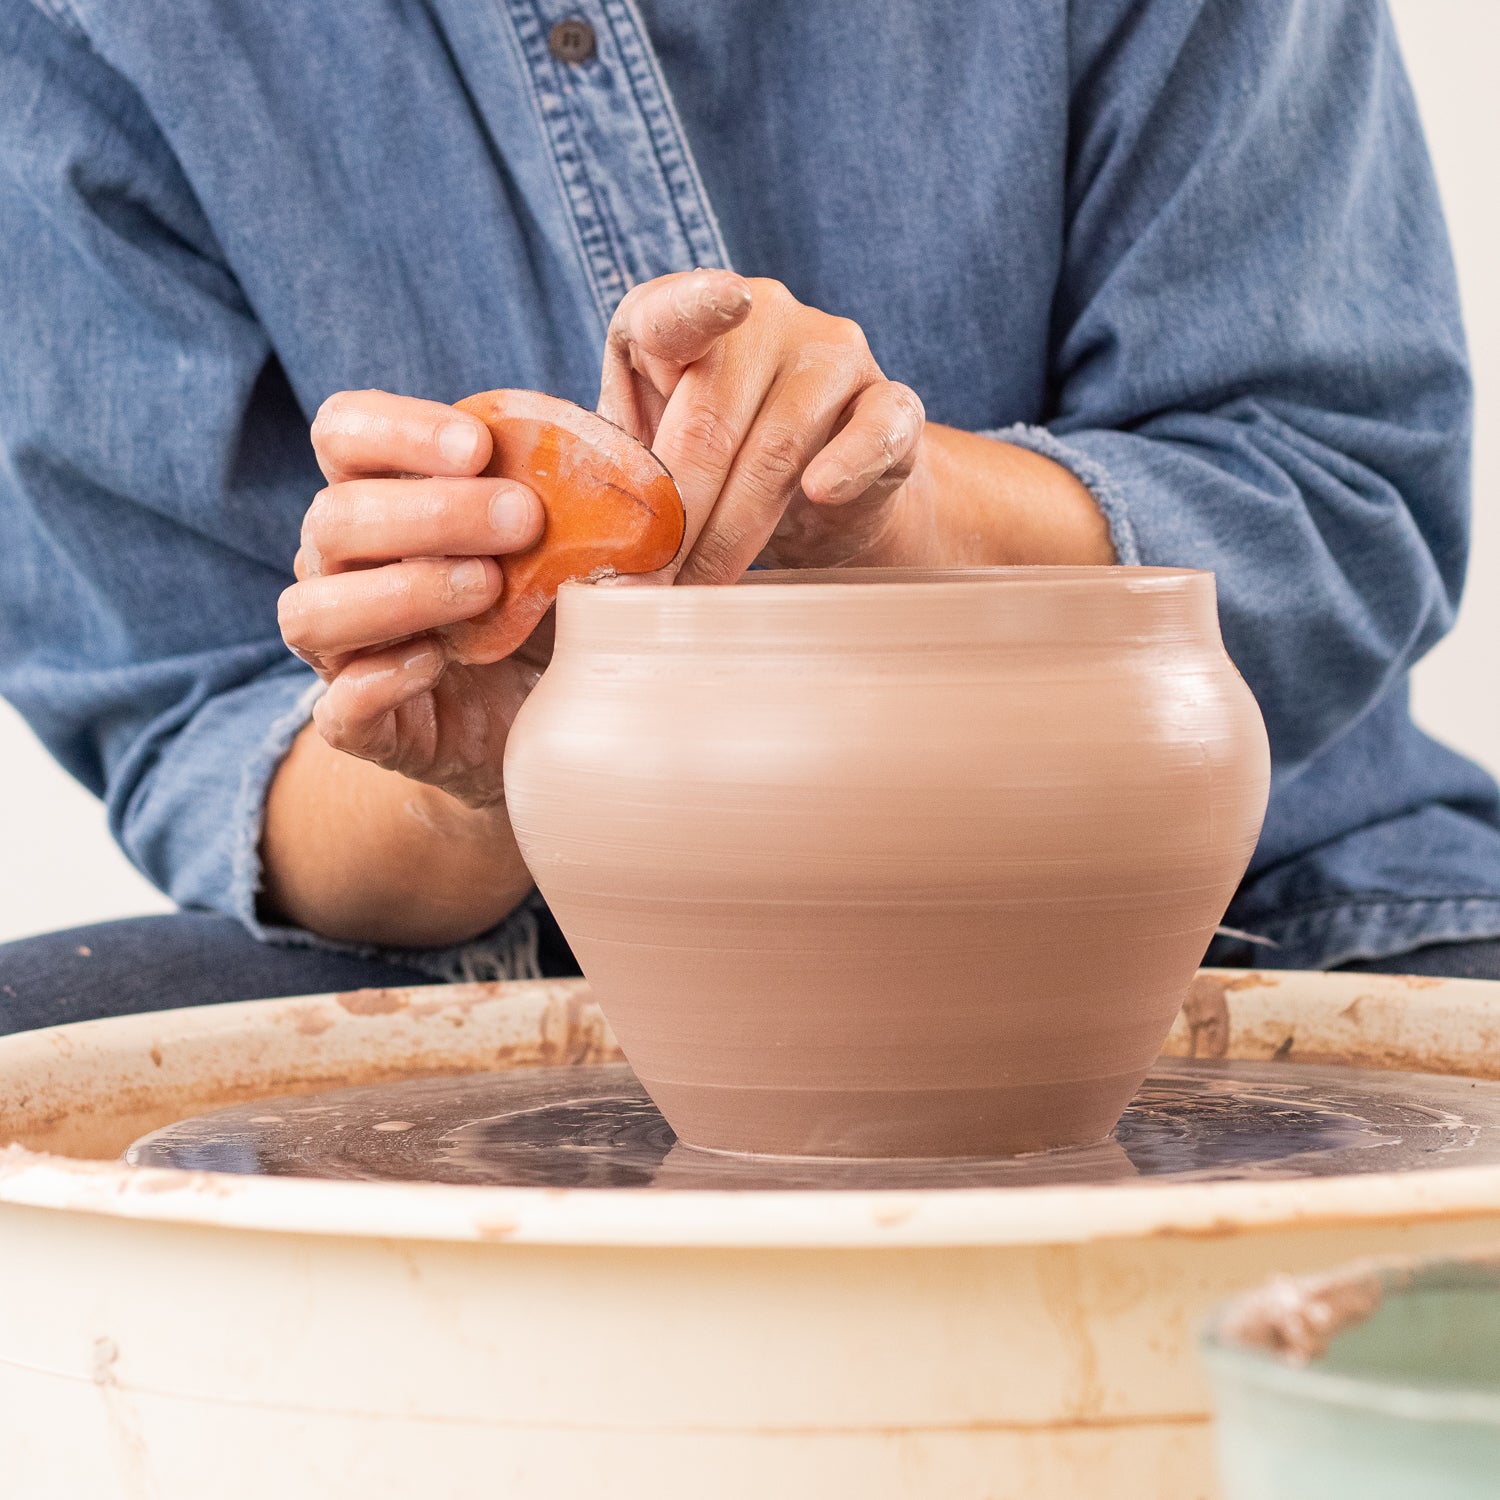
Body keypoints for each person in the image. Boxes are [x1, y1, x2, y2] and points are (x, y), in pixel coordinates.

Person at [3, 0, 1499, 1037]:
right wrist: (479, 763)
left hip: (1234, 909)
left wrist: (903, 529)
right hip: (536, 961)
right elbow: (184, 712)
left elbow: (1342, 492)